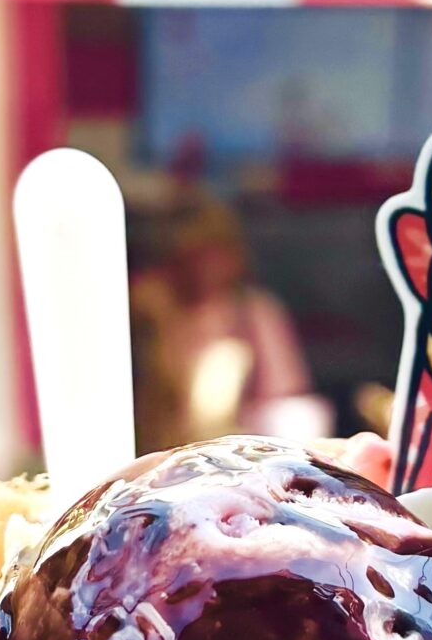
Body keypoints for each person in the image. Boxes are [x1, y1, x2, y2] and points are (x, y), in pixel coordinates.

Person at [131, 191, 330, 451]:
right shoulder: (150, 311)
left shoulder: (254, 311)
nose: (205, 266)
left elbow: (285, 396)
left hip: (240, 446)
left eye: (214, 253)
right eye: (192, 255)